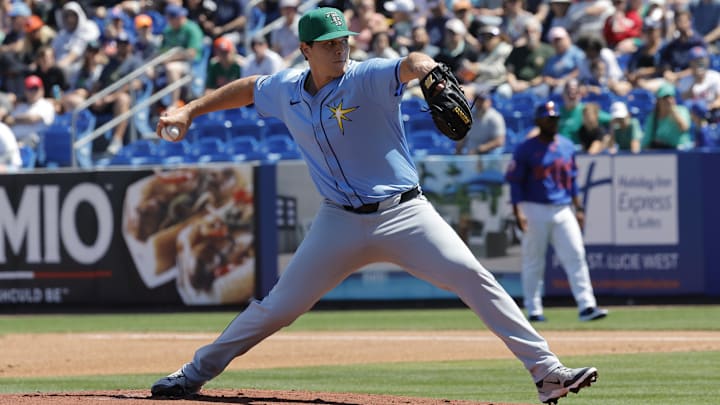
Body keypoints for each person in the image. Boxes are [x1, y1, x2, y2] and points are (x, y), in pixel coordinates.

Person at [150, 7, 600, 404]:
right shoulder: (286, 87)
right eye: (328, 44)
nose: (339, 49)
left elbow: (409, 63)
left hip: (405, 214)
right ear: (305, 49)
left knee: (472, 277)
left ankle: (547, 372)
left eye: (344, 40)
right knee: (278, 308)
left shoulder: (365, 77)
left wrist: (428, 71)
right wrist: (189, 110)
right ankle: (192, 375)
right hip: (337, 222)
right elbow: (250, 87)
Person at [505, 100, 609, 323]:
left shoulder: (566, 145)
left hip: (563, 208)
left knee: (576, 254)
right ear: (538, 121)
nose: (552, 122)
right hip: (534, 207)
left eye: (555, 119)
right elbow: (515, 182)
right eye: (548, 118)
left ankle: (587, 306)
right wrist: (518, 211)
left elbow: (571, 179)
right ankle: (533, 309)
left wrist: (579, 207)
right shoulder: (526, 148)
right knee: (534, 260)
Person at [642, 82, 692, 150]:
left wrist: (673, 111)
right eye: (665, 98)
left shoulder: (682, 110)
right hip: (661, 153)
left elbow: (684, 128)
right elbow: (647, 140)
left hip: (680, 151)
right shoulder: (653, 117)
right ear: (659, 100)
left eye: (671, 97)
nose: (668, 100)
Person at [455, 89, 506, 155]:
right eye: (478, 100)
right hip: (469, 154)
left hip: (488, 154)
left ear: (489, 102)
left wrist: (479, 150)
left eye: (483, 100)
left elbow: (500, 141)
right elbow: (462, 138)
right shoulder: (469, 116)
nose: (480, 103)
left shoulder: (496, 117)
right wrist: (458, 152)